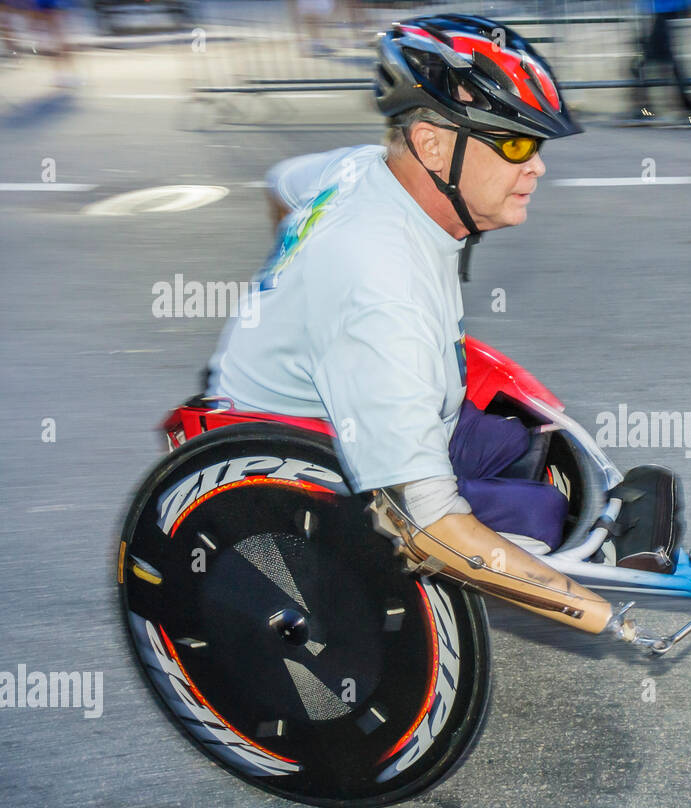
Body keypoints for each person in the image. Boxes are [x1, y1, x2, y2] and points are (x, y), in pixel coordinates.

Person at [207, 14, 642, 644]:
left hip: (348, 387)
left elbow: (281, 185)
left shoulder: (360, 167)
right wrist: (607, 619)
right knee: (546, 513)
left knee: (520, 441)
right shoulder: (383, 294)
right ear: (433, 145)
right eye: (516, 143)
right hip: (316, 452)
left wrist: (291, 289)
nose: (537, 166)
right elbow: (434, 528)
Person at [627, 0, 691, 126]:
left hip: (666, 10)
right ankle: (646, 110)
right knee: (651, 61)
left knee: (643, 63)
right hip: (662, 10)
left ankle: (645, 110)